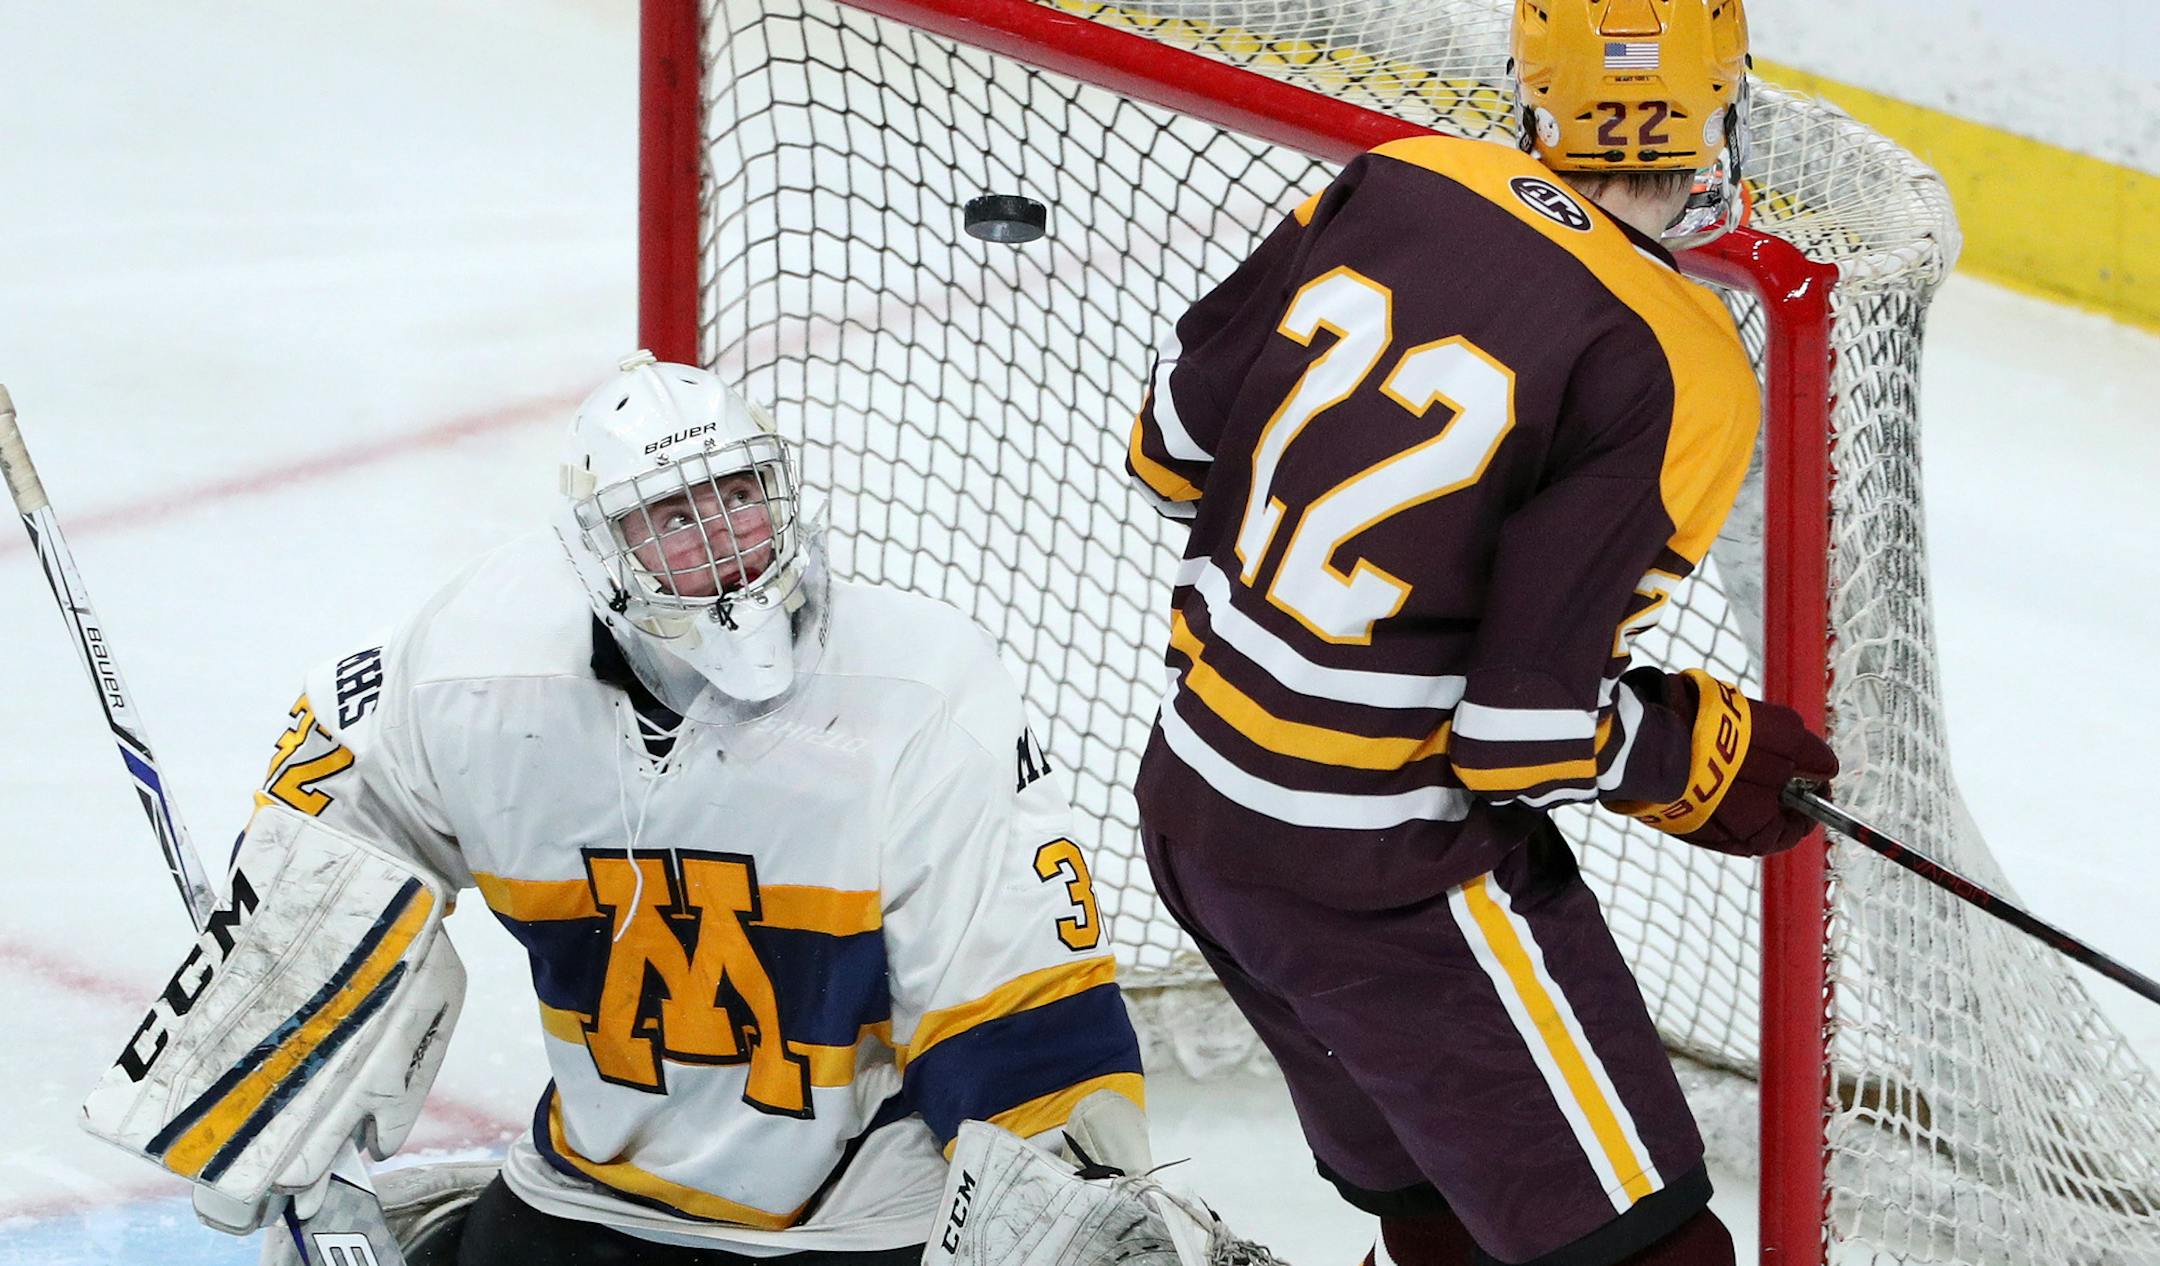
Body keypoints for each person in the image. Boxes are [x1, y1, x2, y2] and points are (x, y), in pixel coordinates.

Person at [84, 351, 1153, 1265]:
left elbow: (1011, 1002)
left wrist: (1070, 1208)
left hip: (854, 1226)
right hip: (590, 1193)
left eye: (737, 494)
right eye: (671, 517)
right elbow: (342, 826)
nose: (722, 538)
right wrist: (271, 1056)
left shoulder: (916, 688)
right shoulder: (481, 668)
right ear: (598, 553)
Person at [1123, 2, 1836, 1264]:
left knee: (1442, 1215)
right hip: (1390, 880)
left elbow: (1170, 445)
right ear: (1719, 113)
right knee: (1644, 1246)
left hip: (1197, 819)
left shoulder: (1400, 173)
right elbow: (1519, 733)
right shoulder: (1681, 362)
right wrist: (1693, 756)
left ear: (1533, 95)